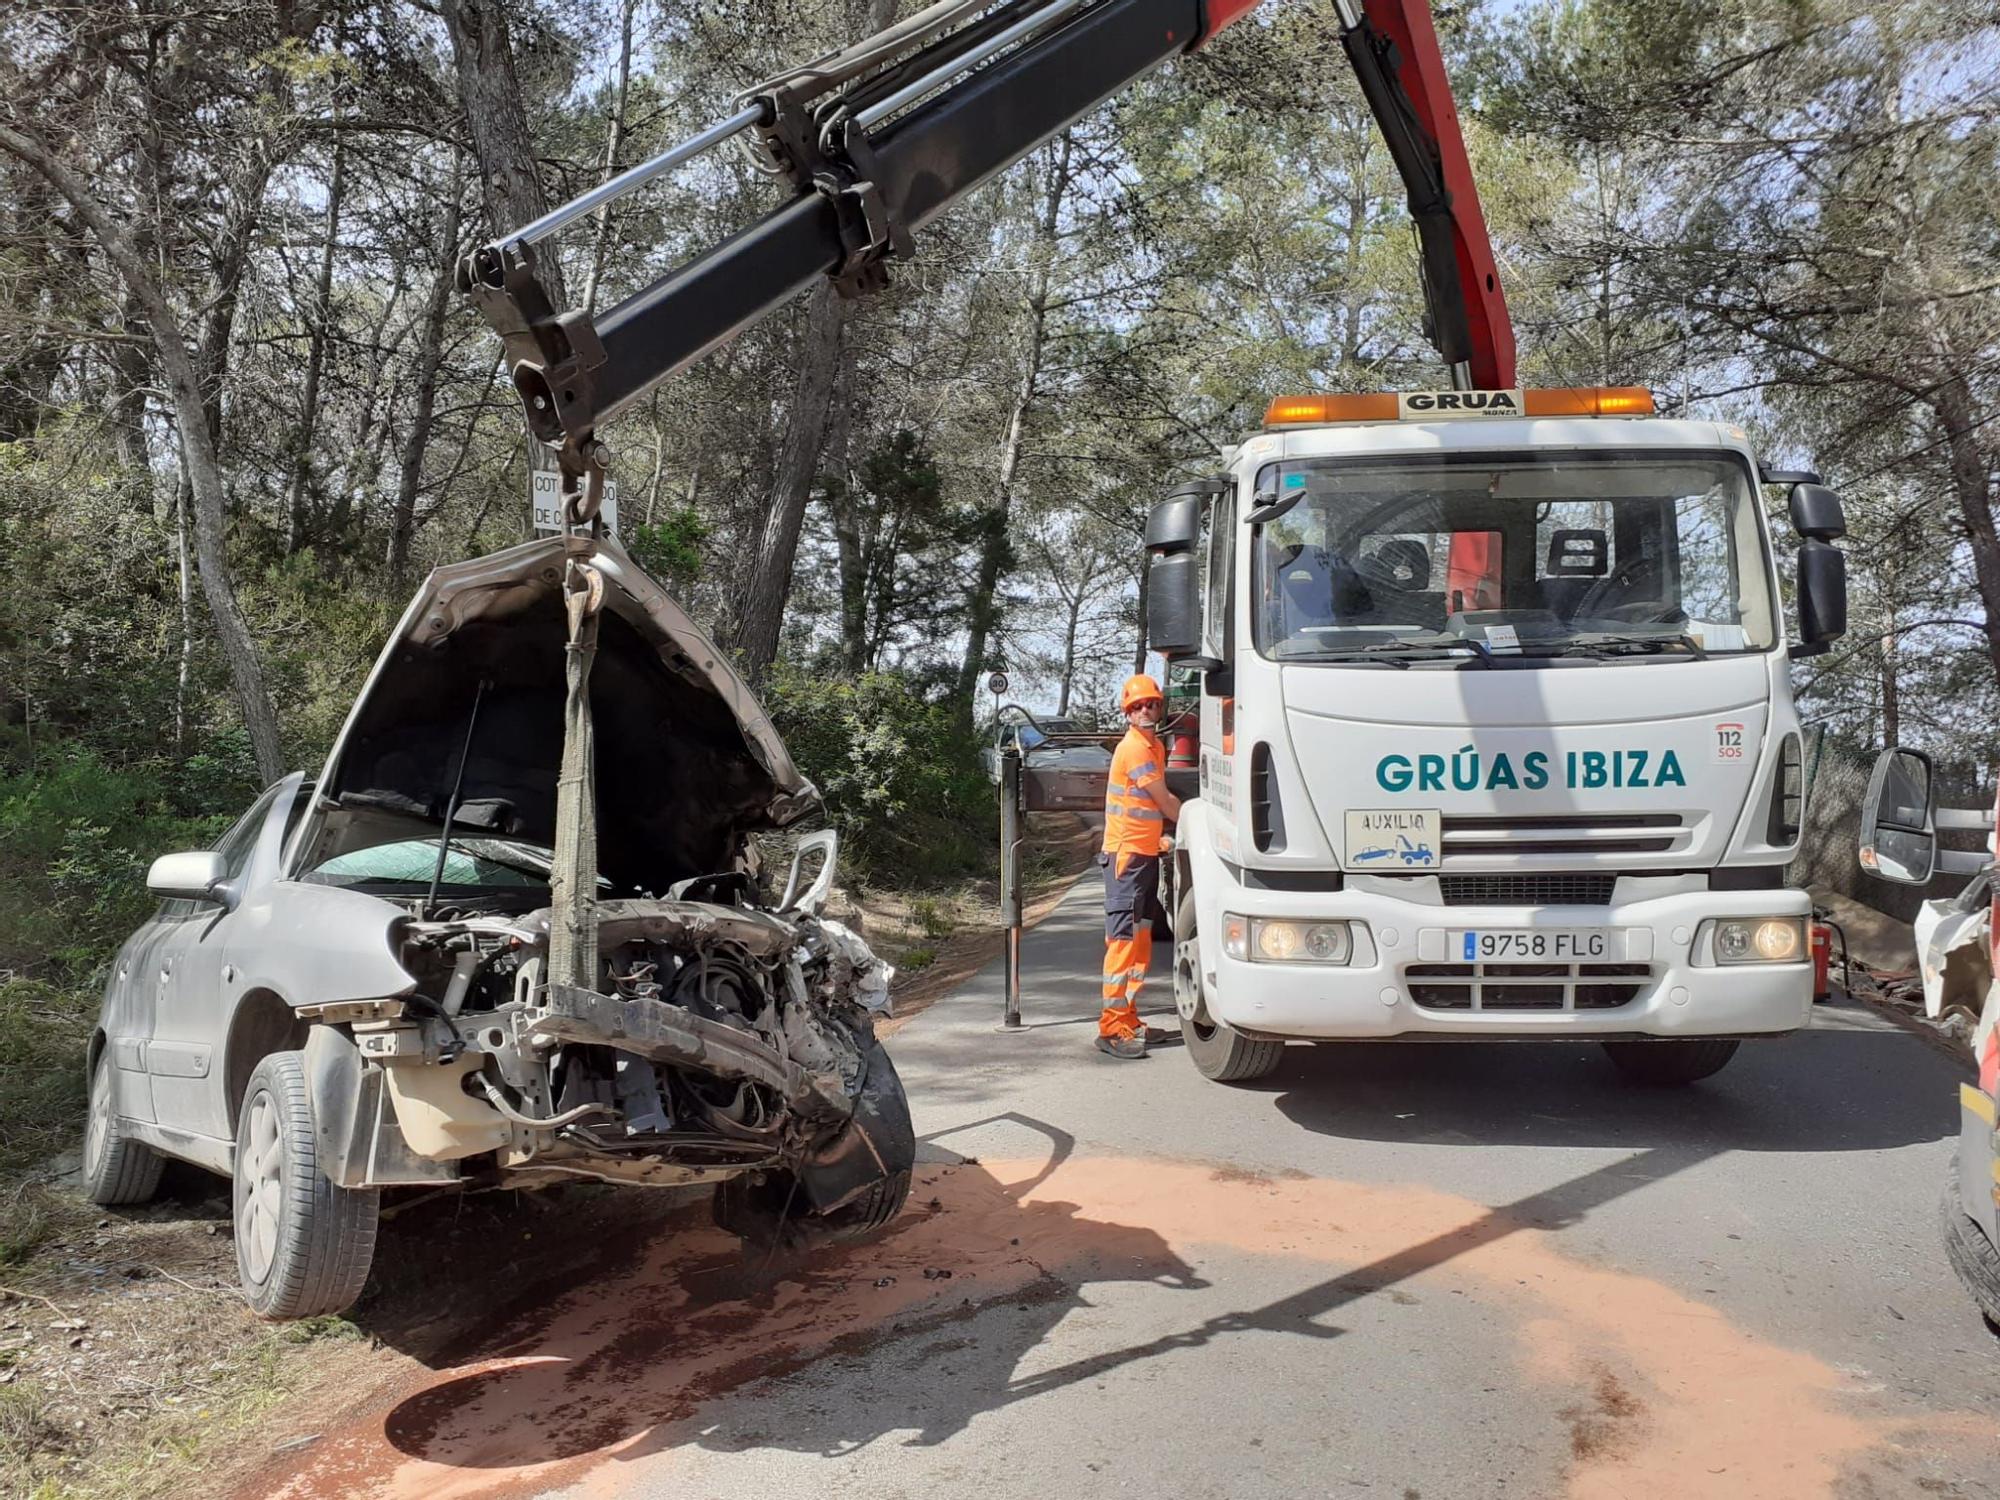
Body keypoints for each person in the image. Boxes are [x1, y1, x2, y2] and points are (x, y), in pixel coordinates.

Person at [1097, 673, 1182, 1059]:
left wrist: (1159, 840)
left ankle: (1129, 1019)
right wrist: (1198, 822)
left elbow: (1146, 810)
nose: (1146, 710)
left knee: (1141, 943)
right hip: (1126, 860)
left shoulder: (1153, 746)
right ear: (1128, 713)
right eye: (1138, 706)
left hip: (1143, 856)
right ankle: (1111, 1027)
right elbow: (1164, 802)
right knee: (1122, 944)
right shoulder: (1134, 749)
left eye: (1152, 704)